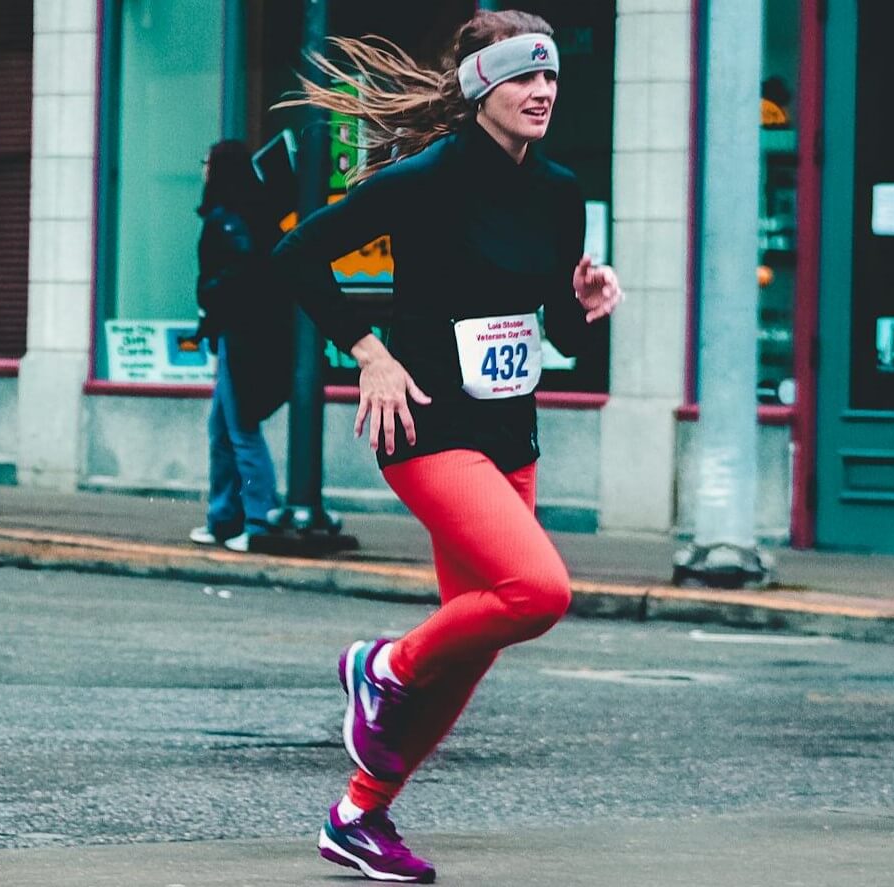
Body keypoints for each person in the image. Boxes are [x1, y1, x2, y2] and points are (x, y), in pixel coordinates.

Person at [270, 11, 623, 882]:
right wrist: (371, 353)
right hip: (426, 425)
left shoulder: (558, 190)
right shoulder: (423, 181)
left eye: (549, 78)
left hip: (509, 433)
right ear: (480, 88)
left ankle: (358, 813)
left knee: (477, 639)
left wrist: (585, 301)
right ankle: (381, 664)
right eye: (521, 77)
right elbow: (299, 259)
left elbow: (563, 343)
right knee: (538, 591)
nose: (542, 91)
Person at [187, 141, 289, 553]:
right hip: (248, 332)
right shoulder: (255, 212)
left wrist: (210, 305)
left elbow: (235, 276)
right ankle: (224, 517)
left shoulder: (227, 219)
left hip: (240, 334)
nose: (204, 170)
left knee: (240, 429)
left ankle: (257, 519)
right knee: (224, 429)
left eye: (207, 163)